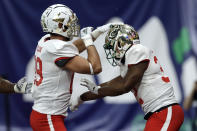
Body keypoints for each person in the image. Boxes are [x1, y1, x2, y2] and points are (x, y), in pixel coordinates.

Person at [70, 24, 184, 131]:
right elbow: (108, 86)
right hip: (159, 113)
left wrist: (97, 89)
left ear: (121, 43)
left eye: (112, 46)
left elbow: (124, 87)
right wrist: (81, 98)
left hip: (165, 111)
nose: (112, 51)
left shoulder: (137, 50)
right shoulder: (130, 64)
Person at [29, 4, 104, 131]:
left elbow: (72, 49)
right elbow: (95, 67)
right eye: (69, 22)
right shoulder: (57, 48)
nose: (72, 25)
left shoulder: (46, 40)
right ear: (59, 25)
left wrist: (92, 36)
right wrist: (89, 41)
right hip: (48, 117)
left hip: (44, 113)